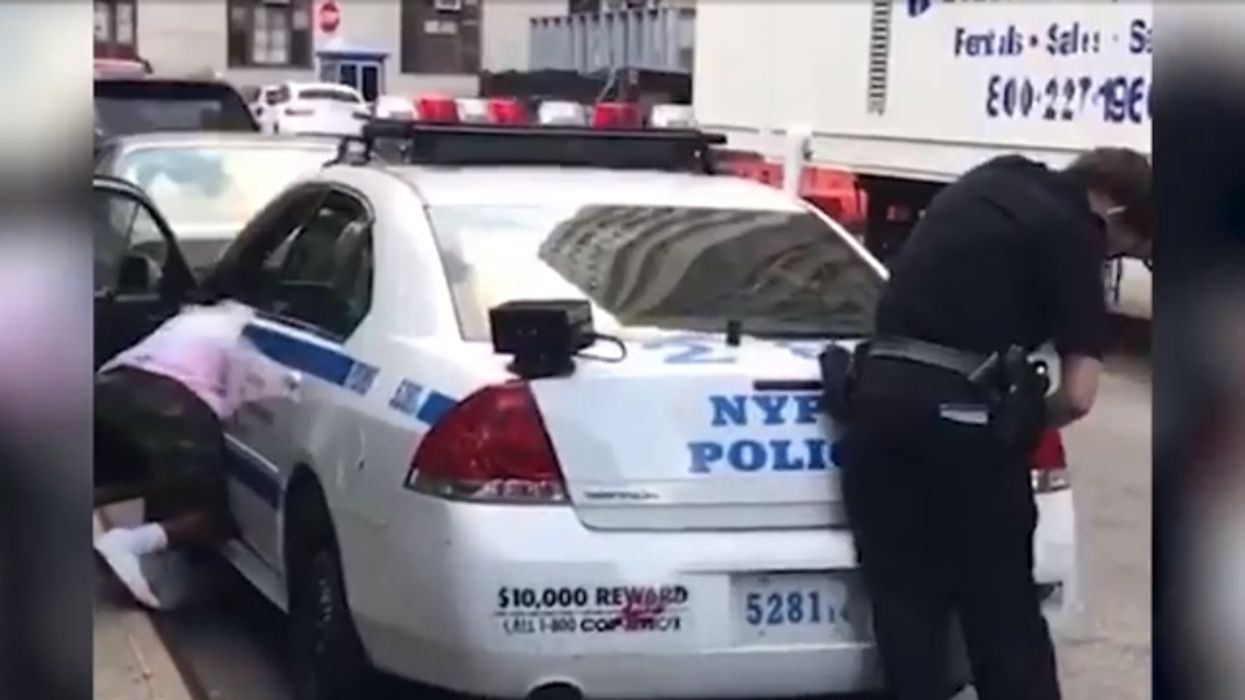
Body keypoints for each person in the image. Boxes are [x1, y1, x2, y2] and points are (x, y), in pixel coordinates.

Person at [834, 148, 1152, 700]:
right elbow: (1078, 396)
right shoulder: (1076, 232)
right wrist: (1024, 418)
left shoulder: (989, 179)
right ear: (1116, 212)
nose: (1115, 256)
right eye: (1130, 247)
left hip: (876, 404)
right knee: (1002, 613)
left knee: (905, 607)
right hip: (964, 425)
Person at [94, 300, 252, 609]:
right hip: (173, 398)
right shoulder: (250, 332)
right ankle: (127, 544)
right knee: (219, 515)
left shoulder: (195, 315)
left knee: (136, 476)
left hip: (111, 384)